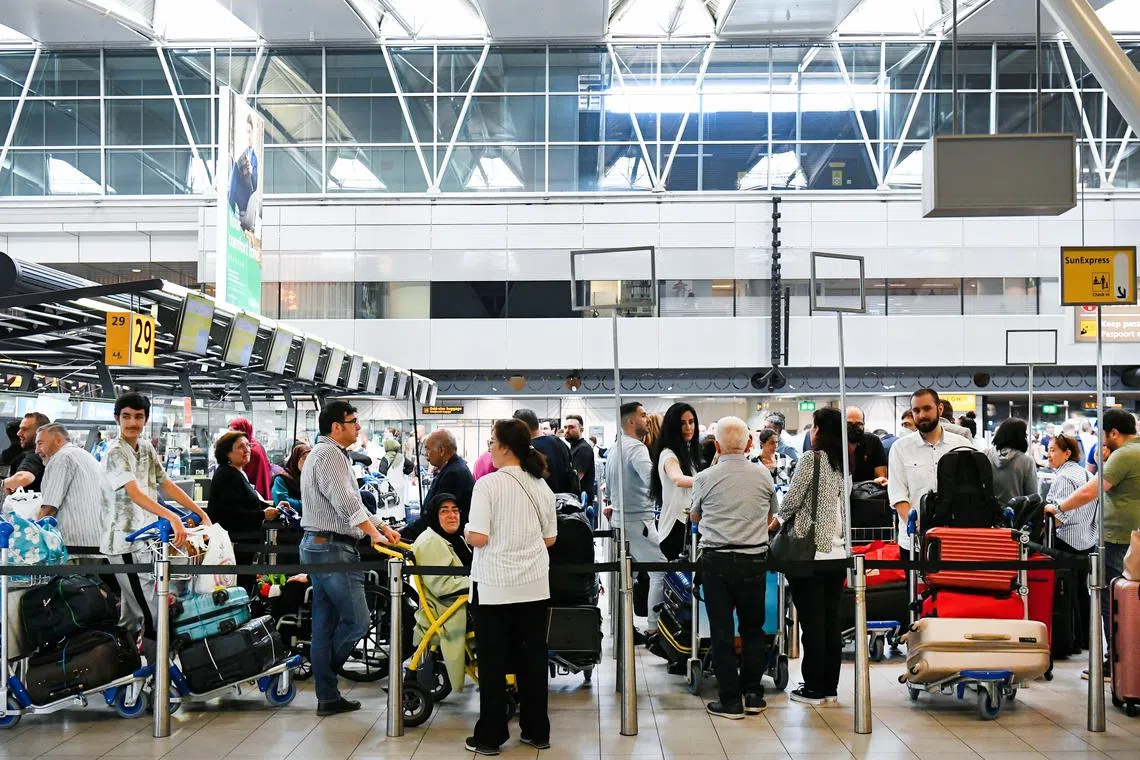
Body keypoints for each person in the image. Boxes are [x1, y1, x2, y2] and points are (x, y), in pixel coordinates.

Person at [300, 400, 400, 716]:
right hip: (332, 549)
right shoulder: (329, 454)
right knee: (358, 620)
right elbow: (346, 504)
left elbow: (355, 500)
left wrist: (381, 525)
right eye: (353, 421)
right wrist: (372, 533)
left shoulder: (328, 454)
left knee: (325, 625)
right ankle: (326, 675)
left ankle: (327, 697)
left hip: (320, 545)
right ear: (336, 427)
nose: (358, 427)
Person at [464, 419, 557, 755]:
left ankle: (491, 735)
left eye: (492, 442)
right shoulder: (541, 485)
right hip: (533, 586)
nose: (489, 448)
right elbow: (550, 539)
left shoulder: (487, 486)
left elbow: (478, 537)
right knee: (532, 661)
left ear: (505, 447)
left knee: (492, 663)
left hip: (493, 587)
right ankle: (537, 730)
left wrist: (464, 532)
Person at [102, 393, 211, 641]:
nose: (132, 423)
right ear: (117, 419)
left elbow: (166, 484)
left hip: (147, 540)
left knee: (131, 616)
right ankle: (157, 675)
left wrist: (201, 513)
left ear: (146, 419)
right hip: (125, 542)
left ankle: (126, 669)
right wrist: (172, 516)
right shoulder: (115, 452)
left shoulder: (147, 448)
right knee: (153, 615)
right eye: (126, 417)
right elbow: (134, 493)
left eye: (138, 417)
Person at [690, 416, 776, 719]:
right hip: (754, 560)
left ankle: (729, 700)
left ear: (716, 445)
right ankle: (753, 694)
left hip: (717, 561)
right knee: (754, 630)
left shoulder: (704, 477)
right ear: (750, 444)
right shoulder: (764, 475)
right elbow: (771, 515)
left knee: (722, 632)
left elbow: (695, 518)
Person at [1045, 408, 1139, 680]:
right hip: (1134, 538)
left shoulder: (1123, 455)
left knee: (1113, 603)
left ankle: (1115, 662)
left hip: (1119, 540)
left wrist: (1057, 507)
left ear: (1113, 433)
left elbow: (1090, 491)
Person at [772, 407, 848, 706]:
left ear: (819, 430)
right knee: (831, 622)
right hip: (837, 553)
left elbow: (791, 501)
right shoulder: (843, 463)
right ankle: (829, 685)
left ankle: (813, 687)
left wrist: (776, 521)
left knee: (812, 624)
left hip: (810, 553)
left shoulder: (810, 459)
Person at [604, 402, 666, 640]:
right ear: (631, 421)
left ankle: (626, 628)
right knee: (659, 571)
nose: (647, 419)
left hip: (622, 520)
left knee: (627, 577)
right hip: (638, 521)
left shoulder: (615, 448)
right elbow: (653, 482)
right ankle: (653, 627)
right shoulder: (637, 449)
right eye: (643, 415)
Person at [887, 389, 971, 559]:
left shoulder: (962, 445)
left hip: (955, 540)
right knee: (914, 586)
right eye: (916, 411)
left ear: (939, 409)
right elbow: (898, 495)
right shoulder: (900, 448)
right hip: (913, 543)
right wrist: (919, 528)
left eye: (927, 409)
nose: (921, 415)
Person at [209, 431, 286, 594]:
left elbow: (251, 502)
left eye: (248, 445)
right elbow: (229, 513)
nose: (247, 450)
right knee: (239, 588)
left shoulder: (237, 473)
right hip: (235, 546)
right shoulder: (227, 475)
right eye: (240, 447)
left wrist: (276, 507)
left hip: (245, 544)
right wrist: (262, 515)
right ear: (227, 453)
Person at [411, 492, 472, 697]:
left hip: (458, 602)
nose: (452, 515)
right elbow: (443, 586)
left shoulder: (453, 538)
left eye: (455, 511)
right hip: (450, 609)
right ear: (434, 516)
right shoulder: (431, 542)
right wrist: (480, 584)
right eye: (444, 511)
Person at [1042, 433, 1097, 648]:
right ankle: (1085, 639)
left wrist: (1047, 516)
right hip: (1086, 540)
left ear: (1067, 453)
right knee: (1081, 592)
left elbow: (1060, 516)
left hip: (1066, 542)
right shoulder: (1084, 474)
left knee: (1067, 592)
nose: (1048, 453)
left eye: (1054, 449)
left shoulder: (1064, 478)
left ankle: (1069, 640)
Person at [35, 423, 112, 552]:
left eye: (40, 443)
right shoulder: (84, 455)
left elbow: (49, 508)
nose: (37, 450)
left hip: (74, 545)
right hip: (96, 541)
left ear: (58, 440)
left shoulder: (61, 458)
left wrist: (32, 536)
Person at [402, 429, 475, 543]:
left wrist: (402, 533)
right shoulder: (453, 468)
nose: (426, 454)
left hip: (444, 544)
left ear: (441, 450)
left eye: (428, 449)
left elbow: (436, 516)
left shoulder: (453, 474)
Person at [652, 403, 704, 561]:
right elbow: (677, 479)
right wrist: (709, 480)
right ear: (673, 426)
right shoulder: (668, 454)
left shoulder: (690, 454)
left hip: (690, 524)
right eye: (682, 423)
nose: (689, 427)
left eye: (691, 421)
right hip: (675, 527)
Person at [514, 409, 579, 495]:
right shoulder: (559, 442)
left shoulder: (529, 450)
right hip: (566, 501)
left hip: (544, 501)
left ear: (523, 427)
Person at [986, 418, 1039, 504]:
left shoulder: (986, 454)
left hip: (988, 513)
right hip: (1017, 514)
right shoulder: (1027, 461)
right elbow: (1032, 496)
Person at [2, 412, 50, 494]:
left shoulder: (36, 455)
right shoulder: (51, 454)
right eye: (19, 429)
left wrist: (3, 484)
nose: (18, 433)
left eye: (24, 429)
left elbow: (23, 478)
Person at [229, 418, 272, 499]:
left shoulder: (251, 450)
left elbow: (247, 477)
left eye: (233, 432)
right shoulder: (254, 445)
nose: (230, 436)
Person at [846, 406, 888, 484]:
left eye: (859, 424)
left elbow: (881, 477)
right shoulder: (834, 444)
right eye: (849, 424)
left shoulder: (873, 442)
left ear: (864, 424)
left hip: (867, 492)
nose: (854, 427)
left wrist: (880, 480)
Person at [565, 415, 595, 505]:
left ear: (581, 430)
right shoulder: (574, 447)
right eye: (565, 427)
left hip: (581, 502)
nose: (567, 430)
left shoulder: (583, 448)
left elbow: (576, 478)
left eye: (571, 427)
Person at [272, 442, 310, 513]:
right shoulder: (282, 478)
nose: (308, 462)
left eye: (310, 458)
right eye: (304, 458)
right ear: (295, 459)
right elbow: (282, 501)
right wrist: (308, 505)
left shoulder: (311, 478)